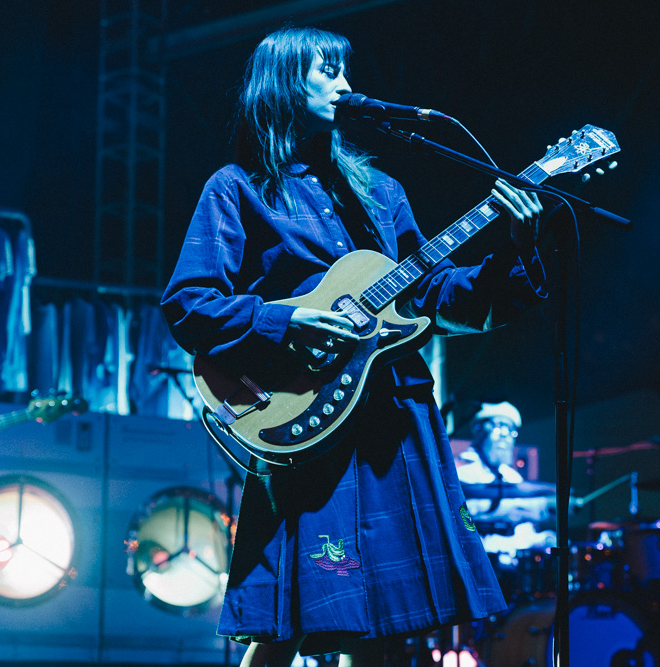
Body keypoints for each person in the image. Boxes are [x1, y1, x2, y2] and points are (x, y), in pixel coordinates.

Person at [160, 26, 546, 667]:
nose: (345, 84)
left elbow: (436, 298)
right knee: (285, 626)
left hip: (391, 417)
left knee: (396, 624)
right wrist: (287, 322)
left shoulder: (383, 194)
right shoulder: (237, 188)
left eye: (346, 70)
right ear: (285, 84)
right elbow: (188, 305)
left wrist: (513, 245)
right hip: (303, 419)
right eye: (327, 71)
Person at [455, 401, 556, 558]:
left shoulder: (512, 477)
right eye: (499, 427)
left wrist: (543, 539)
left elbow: (523, 535)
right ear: (478, 429)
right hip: (477, 561)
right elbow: (470, 518)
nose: (506, 436)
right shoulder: (461, 472)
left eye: (511, 431)